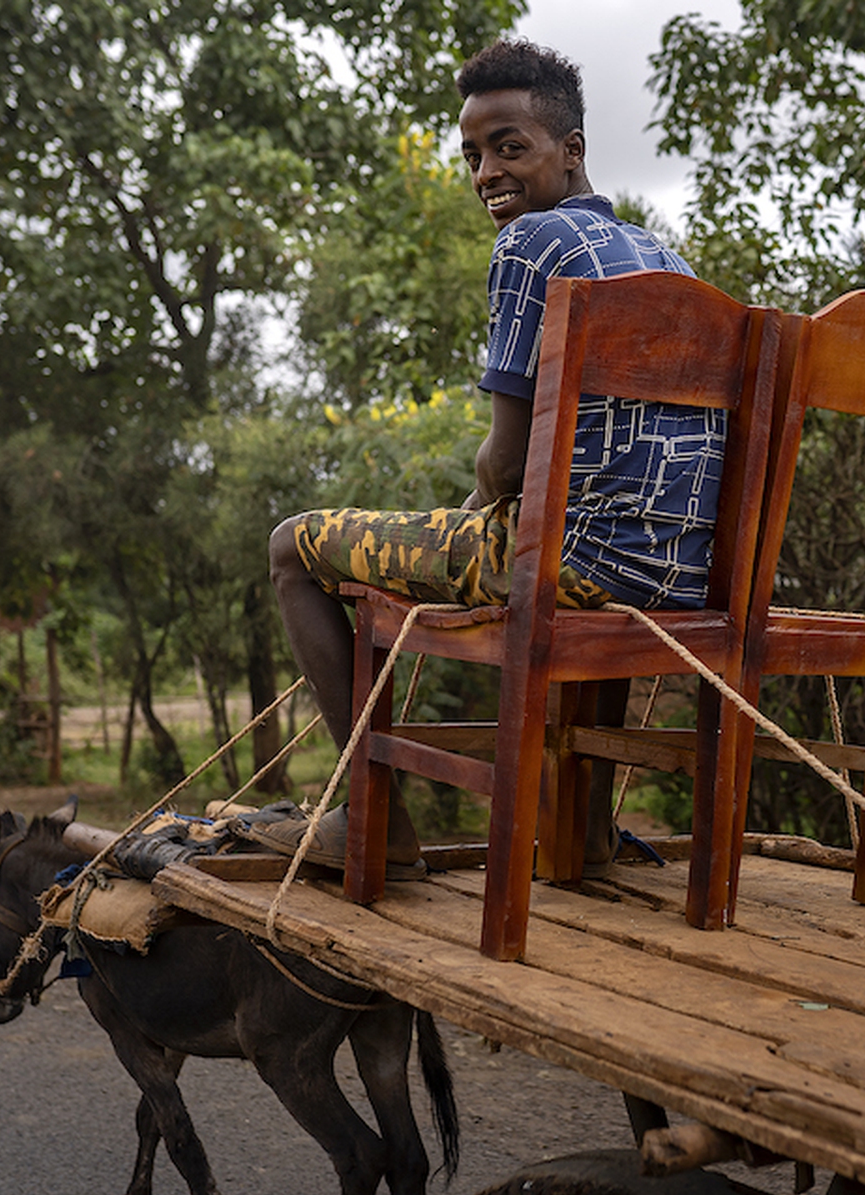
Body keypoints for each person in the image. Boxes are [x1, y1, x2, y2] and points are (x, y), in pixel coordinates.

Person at [265, 38, 724, 874]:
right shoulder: (670, 261)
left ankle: (376, 824)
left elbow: (507, 468)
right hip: (682, 575)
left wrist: (478, 506)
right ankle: (584, 831)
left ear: (571, 150)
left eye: (509, 148)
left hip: (571, 567)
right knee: (568, 527)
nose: (485, 174)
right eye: (473, 155)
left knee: (293, 546)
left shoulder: (533, 244)